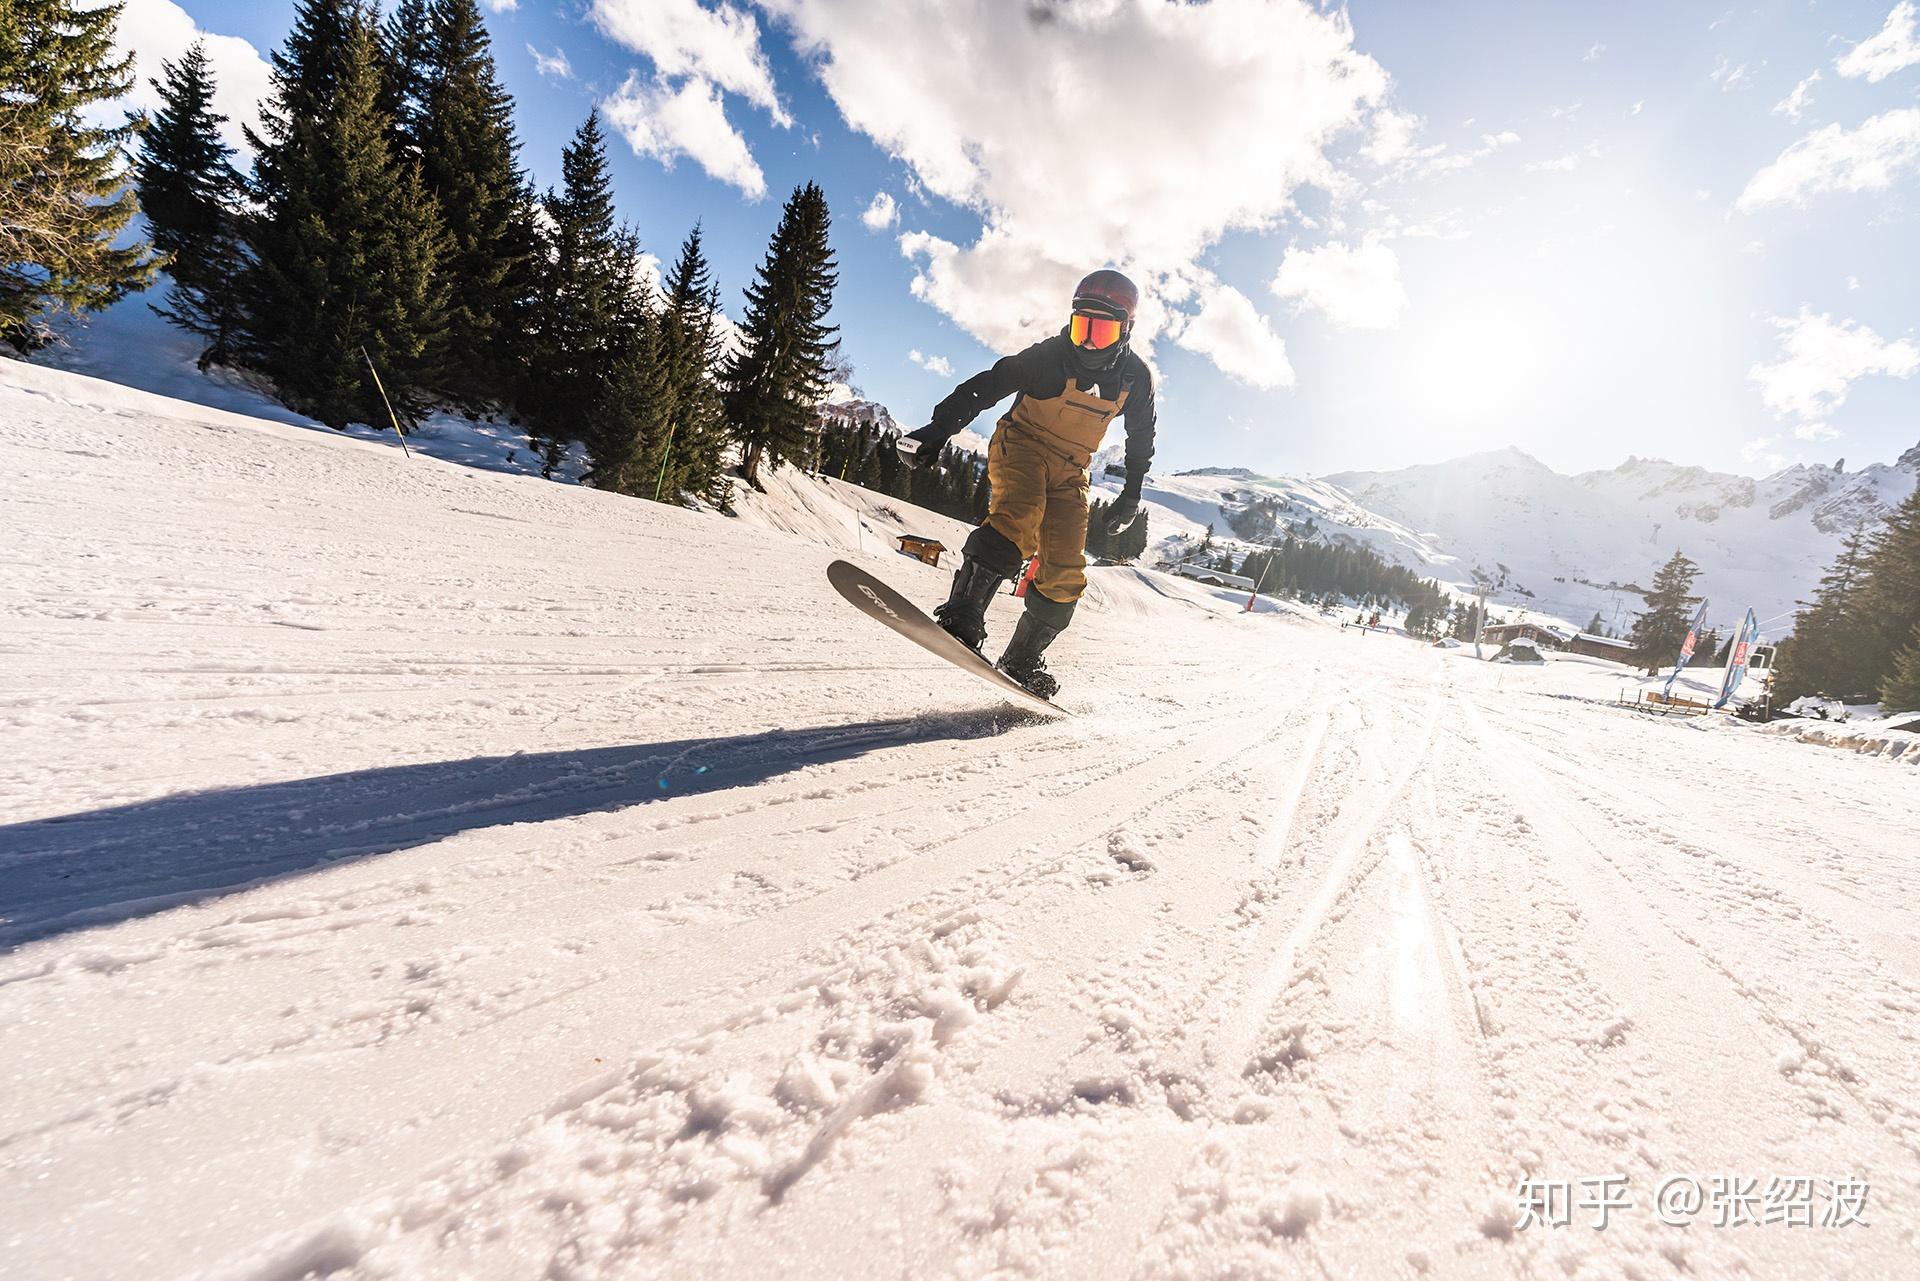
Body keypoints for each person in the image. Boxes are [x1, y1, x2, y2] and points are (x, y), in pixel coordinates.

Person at [896, 269, 1155, 698]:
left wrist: (1131, 495)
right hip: (1023, 446)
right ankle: (963, 613)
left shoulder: (1135, 378)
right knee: (1019, 515)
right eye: (1081, 326)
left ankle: (1021, 658)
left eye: (1101, 330)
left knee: (1067, 571)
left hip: (1073, 471)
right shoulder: (1051, 357)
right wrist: (938, 429)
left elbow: (1142, 436)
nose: (1087, 341)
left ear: (1125, 329)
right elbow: (988, 386)